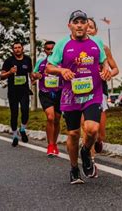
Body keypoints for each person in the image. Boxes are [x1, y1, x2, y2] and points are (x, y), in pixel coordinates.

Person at [46, 10, 112, 184]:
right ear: (70, 26)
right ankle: (74, 169)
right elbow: (49, 68)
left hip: (93, 93)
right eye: (76, 22)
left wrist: (105, 69)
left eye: (83, 22)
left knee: (92, 129)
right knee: (74, 133)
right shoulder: (62, 44)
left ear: (86, 25)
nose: (80, 25)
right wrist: (62, 70)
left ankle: (86, 151)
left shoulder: (96, 42)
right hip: (71, 95)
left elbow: (103, 62)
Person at [86, 18, 119, 158]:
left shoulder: (104, 48)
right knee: (87, 128)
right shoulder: (74, 48)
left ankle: (99, 141)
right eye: (86, 26)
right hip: (82, 91)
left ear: (96, 31)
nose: (88, 29)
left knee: (99, 133)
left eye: (91, 27)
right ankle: (90, 160)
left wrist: (108, 74)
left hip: (100, 90)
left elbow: (115, 68)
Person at [31, 41, 62, 156]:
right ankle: (50, 145)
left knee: (57, 119)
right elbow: (33, 75)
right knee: (50, 117)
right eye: (47, 49)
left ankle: (54, 143)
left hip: (59, 92)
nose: (50, 51)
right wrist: (35, 76)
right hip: (45, 93)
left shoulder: (61, 62)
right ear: (45, 50)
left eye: (52, 49)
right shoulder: (41, 62)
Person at [0, 42, 33, 147]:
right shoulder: (9, 61)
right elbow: (2, 76)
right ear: (13, 50)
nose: (17, 49)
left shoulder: (27, 59)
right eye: (15, 48)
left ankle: (22, 129)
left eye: (19, 47)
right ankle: (14, 136)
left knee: (25, 111)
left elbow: (31, 74)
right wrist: (10, 72)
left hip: (24, 91)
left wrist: (34, 79)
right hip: (13, 91)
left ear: (22, 49)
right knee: (14, 113)